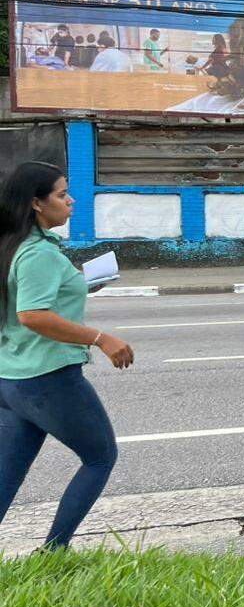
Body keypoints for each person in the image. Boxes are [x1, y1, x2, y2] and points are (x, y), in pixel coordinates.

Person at [0, 162, 134, 550]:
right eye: (61, 194)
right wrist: (100, 338)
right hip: (48, 378)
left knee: (7, 473)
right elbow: (33, 315)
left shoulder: (13, 244)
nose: (71, 200)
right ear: (37, 204)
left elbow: (32, 302)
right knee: (100, 457)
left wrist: (79, 286)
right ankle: (54, 551)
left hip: (13, 380)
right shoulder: (37, 253)